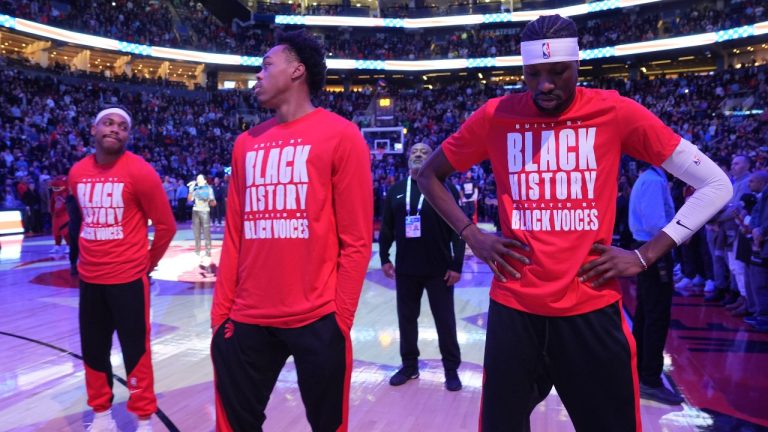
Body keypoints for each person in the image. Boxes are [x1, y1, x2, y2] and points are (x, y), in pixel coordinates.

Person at [416, 14, 732, 431]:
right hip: (515, 307)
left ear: (578, 65)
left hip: (591, 306)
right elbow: (427, 174)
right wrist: (472, 235)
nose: (545, 85)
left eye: (558, 72)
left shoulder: (614, 111)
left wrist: (644, 255)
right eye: (533, 74)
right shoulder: (496, 115)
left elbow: (715, 184)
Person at [210, 30, 373, 432]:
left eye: (267, 65)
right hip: (246, 316)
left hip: (317, 317)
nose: (258, 75)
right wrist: (220, 316)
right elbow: (234, 235)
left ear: (297, 70)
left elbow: (356, 240)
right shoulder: (245, 143)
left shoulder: (342, 135)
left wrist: (341, 319)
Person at [68, 106, 176, 432]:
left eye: (122, 126)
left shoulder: (140, 172)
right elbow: (81, 221)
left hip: (128, 279)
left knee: (136, 352)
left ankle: (143, 419)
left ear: (128, 136)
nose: (115, 129)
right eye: (108, 123)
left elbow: (166, 225)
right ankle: (101, 417)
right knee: (93, 350)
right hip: (91, 279)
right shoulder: (76, 173)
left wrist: (148, 263)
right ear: (94, 129)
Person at [379, 142, 466, 392]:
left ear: (432, 159)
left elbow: (459, 231)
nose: (418, 155)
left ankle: (451, 369)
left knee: (445, 321)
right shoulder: (396, 190)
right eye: (414, 152)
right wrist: (384, 257)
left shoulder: (446, 189)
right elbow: (386, 228)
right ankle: (409, 366)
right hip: (406, 270)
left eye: (424, 152)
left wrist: (457, 265)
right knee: (406, 320)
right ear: (408, 159)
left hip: (440, 270)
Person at [628, 163, 684, 405]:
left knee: (646, 314)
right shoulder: (653, 181)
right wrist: (682, 233)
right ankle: (649, 380)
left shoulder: (650, 178)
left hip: (648, 249)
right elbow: (655, 224)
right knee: (656, 316)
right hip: (655, 250)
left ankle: (639, 371)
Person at [187, 174, 215, 258]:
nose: (198, 180)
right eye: (197, 179)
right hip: (195, 211)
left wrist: (208, 200)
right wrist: (190, 191)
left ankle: (208, 251)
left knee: (206, 232)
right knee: (196, 233)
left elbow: (213, 202)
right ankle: (197, 251)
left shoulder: (209, 189)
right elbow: (189, 200)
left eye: (200, 179)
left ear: (205, 181)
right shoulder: (195, 189)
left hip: (204, 211)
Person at [49, 175, 70, 254]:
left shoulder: (68, 193)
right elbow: (52, 203)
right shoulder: (55, 193)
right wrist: (52, 212)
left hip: (65, 214)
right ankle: (57, 245)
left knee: (66, 231)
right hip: (56, 215)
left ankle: (69, 245)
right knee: (55, 231)